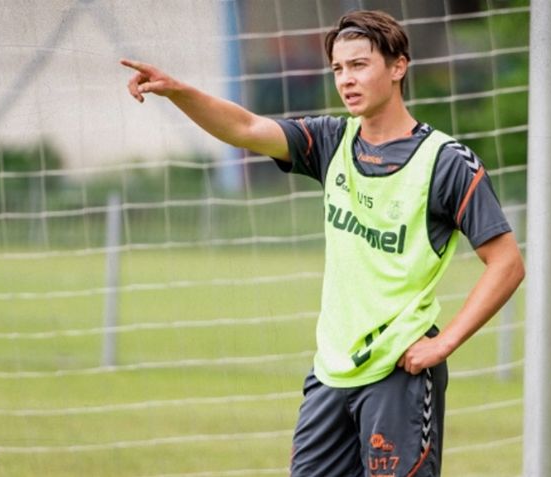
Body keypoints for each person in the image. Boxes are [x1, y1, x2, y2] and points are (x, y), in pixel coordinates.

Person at [121, 9, 524, 477]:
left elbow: (507, 263)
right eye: (338, 68)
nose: (346, 79)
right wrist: (179, 92)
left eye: (359, 65)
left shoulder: (446, 163)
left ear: (398, 67)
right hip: (331, 370)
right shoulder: (331, 140)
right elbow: (247, 129)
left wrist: (444, 343)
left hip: (400, 373)